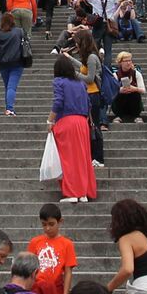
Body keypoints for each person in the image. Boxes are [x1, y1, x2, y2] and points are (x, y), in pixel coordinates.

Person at [49, 56, 97, 204]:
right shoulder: (80, 83)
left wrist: (50, 120)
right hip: (82, 122)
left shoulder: (59, 82)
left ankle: (72, 192)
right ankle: (83, 192)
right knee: (82, 158)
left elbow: (58, 101)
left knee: (68, 159)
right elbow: (88, 103)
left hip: (67, 121)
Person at [27, 204, 76, 294]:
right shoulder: (35, 242)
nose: (47, 228)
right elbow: (28, 267)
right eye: (44, 225)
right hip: (36, 287)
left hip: (55, 290)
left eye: (51, 224)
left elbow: (68, 272)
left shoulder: (67, 244)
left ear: (60, 222)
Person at [0, 9, 30, 116]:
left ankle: (8, 107)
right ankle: (10, 108)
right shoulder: (19, 31)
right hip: (17, 62)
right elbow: (26, 42)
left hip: (3, 64)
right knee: (11, 87)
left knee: (8, 86)